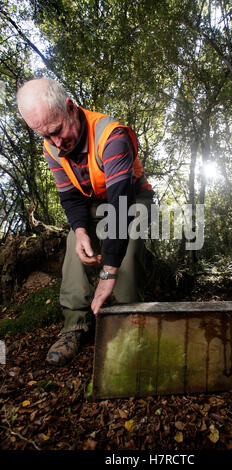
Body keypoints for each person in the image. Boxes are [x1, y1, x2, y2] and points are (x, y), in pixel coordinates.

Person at [17, 77, 154, 366]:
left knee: (125, 255)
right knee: (72, 241)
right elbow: (70, 198)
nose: (55, 143)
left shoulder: (112, 136)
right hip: (95, 203)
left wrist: (108, 271)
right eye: (45, 136)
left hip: (132, 199)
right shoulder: (51, 148)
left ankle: (127, 321)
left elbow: (121, 206)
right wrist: (80, 232)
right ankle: (74, 324)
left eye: (56, 131)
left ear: (69, 107)